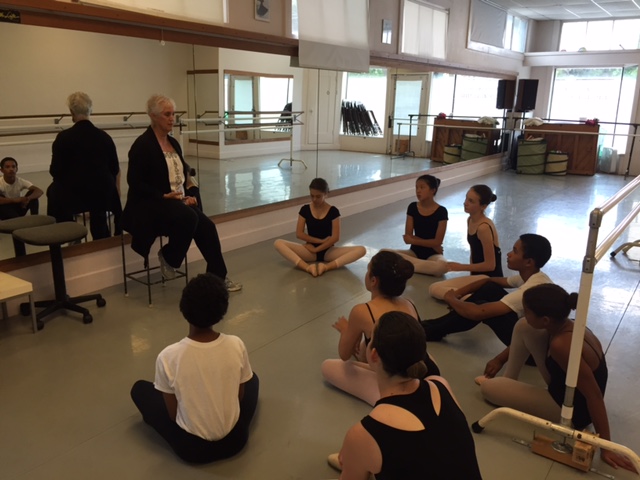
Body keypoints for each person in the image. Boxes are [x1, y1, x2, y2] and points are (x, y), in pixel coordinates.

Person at [478, 284, 637, 473]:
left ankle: (505, 388)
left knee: (489, 389)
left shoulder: (562, 346)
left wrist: (606, 446)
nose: (524, 314)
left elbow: (594, 395)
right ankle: (509, 381)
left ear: (545, 320)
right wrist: (499, 358)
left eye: (526, 311)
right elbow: (527, 328)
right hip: (563, 386)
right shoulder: (569, 325)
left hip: (570, 410)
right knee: (523, 326)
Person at [329, 311, 482, 479]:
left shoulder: (364, 433)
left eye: (370, 339)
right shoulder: (440, 385)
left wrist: (355, 454)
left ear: (374, 355)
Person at [130, 273, 259, 463]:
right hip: (235, 441)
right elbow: (238, 398)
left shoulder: (168, 356)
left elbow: (173, 416)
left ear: (183, 308)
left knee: (140, 389)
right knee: (252, 379)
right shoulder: (236, 344)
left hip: (192, 449)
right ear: (223, 310)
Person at [122, 94, 241, 291]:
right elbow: (134, 183)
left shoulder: (174, 143)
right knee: (188, 217)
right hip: (152, 205)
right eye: (167, 114)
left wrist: (189, 191)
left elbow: (182, 175)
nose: (172, 119)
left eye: (173, 114)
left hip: (176, 205)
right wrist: (162, 195)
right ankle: (169, 257)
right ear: (153, 116)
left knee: (207, 226)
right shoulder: (142, 146)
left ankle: (218, 276)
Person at [321, 251, 440, 406]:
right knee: (381, 346)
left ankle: (399, 401)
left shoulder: (362, 311)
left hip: (399, 382)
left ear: (373, 280)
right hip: (429, 371)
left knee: (328, 367)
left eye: (368, 269)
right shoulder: (408, 303)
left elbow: (344, 355)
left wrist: (346, 330)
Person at [421, 233, 552, 347]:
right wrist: (457, 294)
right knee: (490, 289)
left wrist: (451, 299)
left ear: (529, 262)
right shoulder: (533, 276)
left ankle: (431, 331)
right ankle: (433, 326)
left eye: (515, 251)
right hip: (527, 334)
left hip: (530, 349)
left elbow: (478, 313)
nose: (509, 254)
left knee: (480, 307)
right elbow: (488, 281)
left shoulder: (528, 291)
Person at [47, 91, 122, 240]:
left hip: (73, 195)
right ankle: (102, 239)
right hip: (101, 193)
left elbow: (55, 171)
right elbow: (114, 168)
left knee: (54, 191)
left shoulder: (63, 138)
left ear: (71, 112)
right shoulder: (104, 137)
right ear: (90, 110)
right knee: (99, 208)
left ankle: (69, 233)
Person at [274, 178, 365, 277]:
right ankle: (307, 267)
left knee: (361, 250)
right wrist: (319, 242)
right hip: (309, 250)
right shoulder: (305, 210)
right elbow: (299, 234)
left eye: (318, 196)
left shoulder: (333, 211)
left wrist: (317, 249)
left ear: (325, 194)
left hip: (328, 252)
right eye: (312, 196)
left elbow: (335, 238)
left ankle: (326, 267)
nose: (314, 199)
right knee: (278, 243)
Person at [429, 184, 502, 299]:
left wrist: (461, 267)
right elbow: (474, 252)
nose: (465, 203)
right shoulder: (470, 220)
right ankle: (471, 298)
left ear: (483, 206)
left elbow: (490, 265)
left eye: (471, 201)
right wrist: (470, 275)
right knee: (434, 288)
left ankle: (473, 300)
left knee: (435, 288)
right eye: (466, 198)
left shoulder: (484, 227)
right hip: (477, 277)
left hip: (489, 279)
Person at [385, 174, 448, 277]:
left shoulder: (442, 211)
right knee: (384, 252)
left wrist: (415, 240)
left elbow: (438, 241)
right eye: (416, 187)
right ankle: (419, 267)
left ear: (433, 190)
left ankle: (408, 266)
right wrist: (433, 244)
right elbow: (407, 238)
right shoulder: (412, 207)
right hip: (414, 253)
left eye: (422, 187)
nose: (418, 191)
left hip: (433, 255)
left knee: (442, 267)